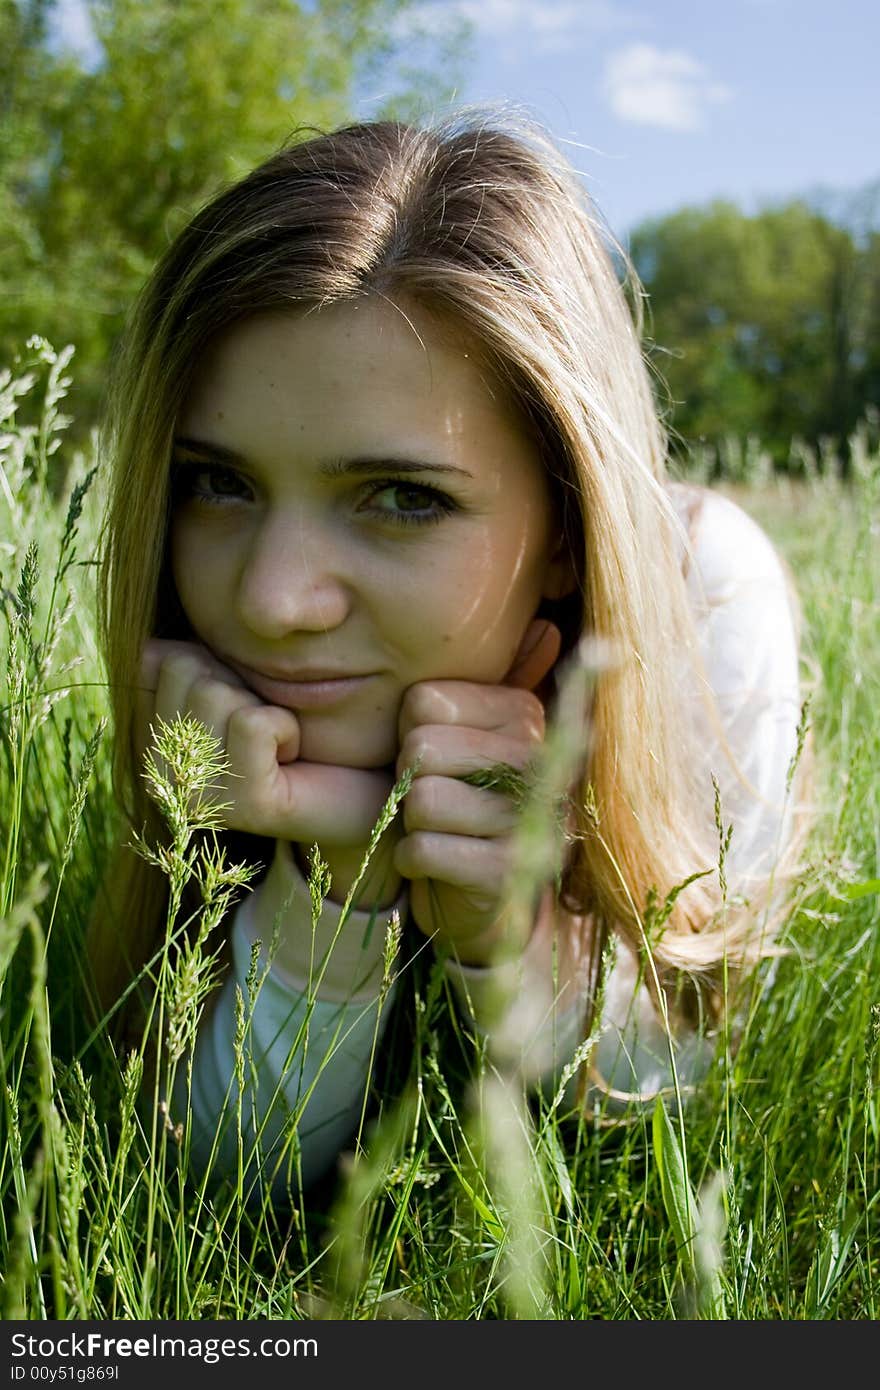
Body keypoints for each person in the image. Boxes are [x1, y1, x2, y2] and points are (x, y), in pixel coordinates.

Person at [86, 110, 807, 1202]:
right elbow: (208, 1193)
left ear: (568, 527)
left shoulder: (712, 598)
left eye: (401, 498)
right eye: (217, 483)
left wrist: (511, 935)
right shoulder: (188, 680)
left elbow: (665, 1097)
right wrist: (337, 881)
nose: (274, 600)